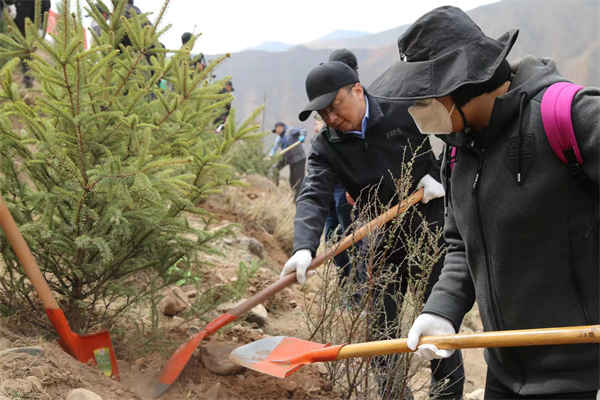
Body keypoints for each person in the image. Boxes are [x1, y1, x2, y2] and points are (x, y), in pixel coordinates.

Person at [369, 6, 599, 399]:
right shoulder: (459, 151)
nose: (416, 108)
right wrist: (442, 308)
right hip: (506, 371)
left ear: (460, 84)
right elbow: (461, 244)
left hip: (583, 374)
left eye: (424, 95)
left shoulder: (570, 117)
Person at [281, 61, 464, 399]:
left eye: (335, 107)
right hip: (379, 241)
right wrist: (303, 247)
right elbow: (313, 195)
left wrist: (437, 173)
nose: (331, 118)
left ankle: (448, 395)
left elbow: (457, 134)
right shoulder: (327, 146)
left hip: (429, 234)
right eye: (323, 113)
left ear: (358, 91)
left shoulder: (402, 109)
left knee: (439, 327)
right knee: (382, 333)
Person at [324, 48, 360, 285]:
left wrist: (354, 185)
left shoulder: (358, 102)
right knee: (332, 235)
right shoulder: (327, 97)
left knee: (352, 237)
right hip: (330, 180)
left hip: (346, 187)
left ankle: (356, 286)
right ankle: (344, 281)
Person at [268, 122, 307, 201]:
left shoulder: (290, 131)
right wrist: (271, 155)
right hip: (289, 158)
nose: (276, 133)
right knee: (291, 179)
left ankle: (298, 200)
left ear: (279, 127)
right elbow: (274, 148)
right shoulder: (279, 138)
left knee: (298, 180)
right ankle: (275, 188)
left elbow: (303, 129)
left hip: (298, 158)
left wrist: (302, 136)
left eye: (276, 131)